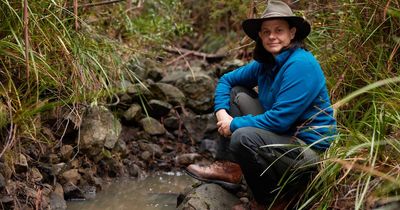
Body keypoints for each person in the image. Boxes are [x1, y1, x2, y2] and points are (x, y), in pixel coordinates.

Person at [186, 0, 337, 209]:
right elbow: (226, 80)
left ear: (292, 33)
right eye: (266, 32)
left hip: (308, 150)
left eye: (279, 30)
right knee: (236, 92)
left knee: (242, 136)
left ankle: (273, 201)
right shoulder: (266, 62)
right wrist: (222, 114)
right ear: (260, 36)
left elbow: (278, 121)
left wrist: (233, 125)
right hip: (284, 135)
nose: (272, 36)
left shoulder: (301, 64)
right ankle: (230, 168)